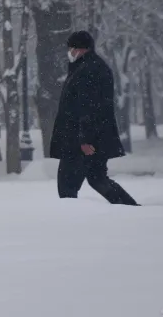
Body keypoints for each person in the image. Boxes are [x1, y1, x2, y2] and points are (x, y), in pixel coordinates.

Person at [49, 31, 140, 206]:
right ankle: (130, 207)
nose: (70, 52)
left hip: (81, 141)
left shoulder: (89, 70)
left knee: (67, 185)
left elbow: (88, 107)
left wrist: (85, 139)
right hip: (93, 137)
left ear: (81, 49)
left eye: (72, 48)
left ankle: (71, 219)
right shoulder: (88, 67)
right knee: (97, 179)